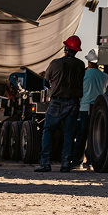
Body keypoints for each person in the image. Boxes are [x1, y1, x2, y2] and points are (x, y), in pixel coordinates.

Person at [35, 35, 85, 173]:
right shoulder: (81, 65)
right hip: (74, 103)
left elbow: (47, 80)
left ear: (66, 48)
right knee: (69, 134)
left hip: (57, 102)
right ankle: (65, 164)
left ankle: (45, 163)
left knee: (48, 131)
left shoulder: (55, 63)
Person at [72, 48, 108, 169]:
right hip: (99, 111)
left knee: (81, 136)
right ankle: (90, 162)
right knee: (94, 137)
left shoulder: (83, 75)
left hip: (84, 109)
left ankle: (77, 163)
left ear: (89, 62)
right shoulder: (106, 77)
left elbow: (77, 92)